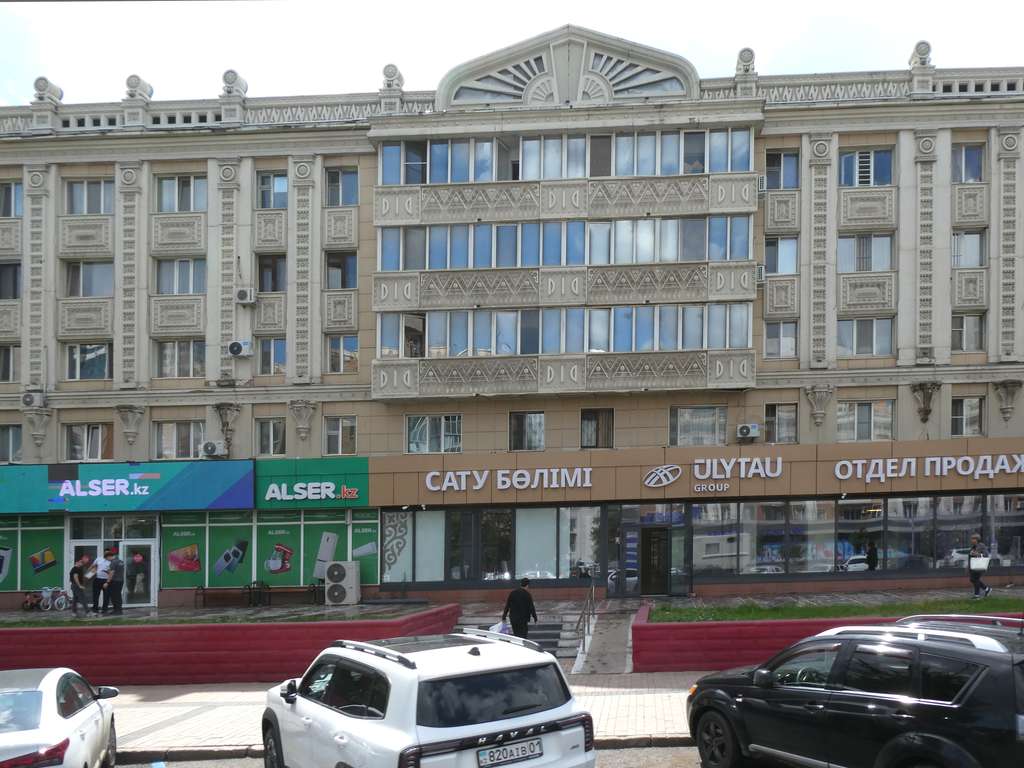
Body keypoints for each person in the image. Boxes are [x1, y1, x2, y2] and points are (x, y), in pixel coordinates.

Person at [968, 533, 992, 599]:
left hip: (979, 565)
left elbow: (986, 554)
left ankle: (977, 595)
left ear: (977, 539)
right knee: (973, 579)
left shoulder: (981, 545)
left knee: (975, 579)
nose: (972, 540)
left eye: (973, 539)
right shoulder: (973, 546)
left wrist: (977, 554)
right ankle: (987, 589)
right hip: (973, 565)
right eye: (971, 539)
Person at [104, 550, 125, 615]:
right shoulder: (121, 561)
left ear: (109, 556)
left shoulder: (113, 562)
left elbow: (112, 573)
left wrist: (107, 582)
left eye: (107, 559)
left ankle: (117, 610)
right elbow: (118, 571)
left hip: (115, 581)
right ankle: (118, 610)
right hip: (120, 580)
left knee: (114, 596)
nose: (107, 560)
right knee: (118, 596)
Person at [93, 549, 111, 614]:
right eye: (106, 553)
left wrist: (108, 581)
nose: (107, 554)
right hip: (97, 579)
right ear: (104, 553)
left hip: (106, 580)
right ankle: (95, 608)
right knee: (96, 595)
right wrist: (87, 575)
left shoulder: (110, 561)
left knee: (106, 596)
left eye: (108, 553)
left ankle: (105, 609)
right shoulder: (98, 559)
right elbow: (93, 567)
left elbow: (112, 572)